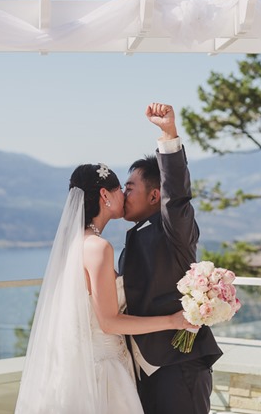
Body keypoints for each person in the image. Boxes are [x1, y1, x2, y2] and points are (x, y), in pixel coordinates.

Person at [14, 162, 196, 413]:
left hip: (82, 366)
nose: (125, 194)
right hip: (104, 370)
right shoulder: (98, 248)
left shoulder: (75, 245)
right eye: (121, 188)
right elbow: (109, 322)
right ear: (104, 195)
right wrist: (173, 321)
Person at [119, 102, 223, 414]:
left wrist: (168, 135)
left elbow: (176, 195)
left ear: (154, 195)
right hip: (145, 369)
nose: (123, 195)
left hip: (179, 367)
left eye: (129, 187)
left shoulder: (171, 228)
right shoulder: (136, 235)